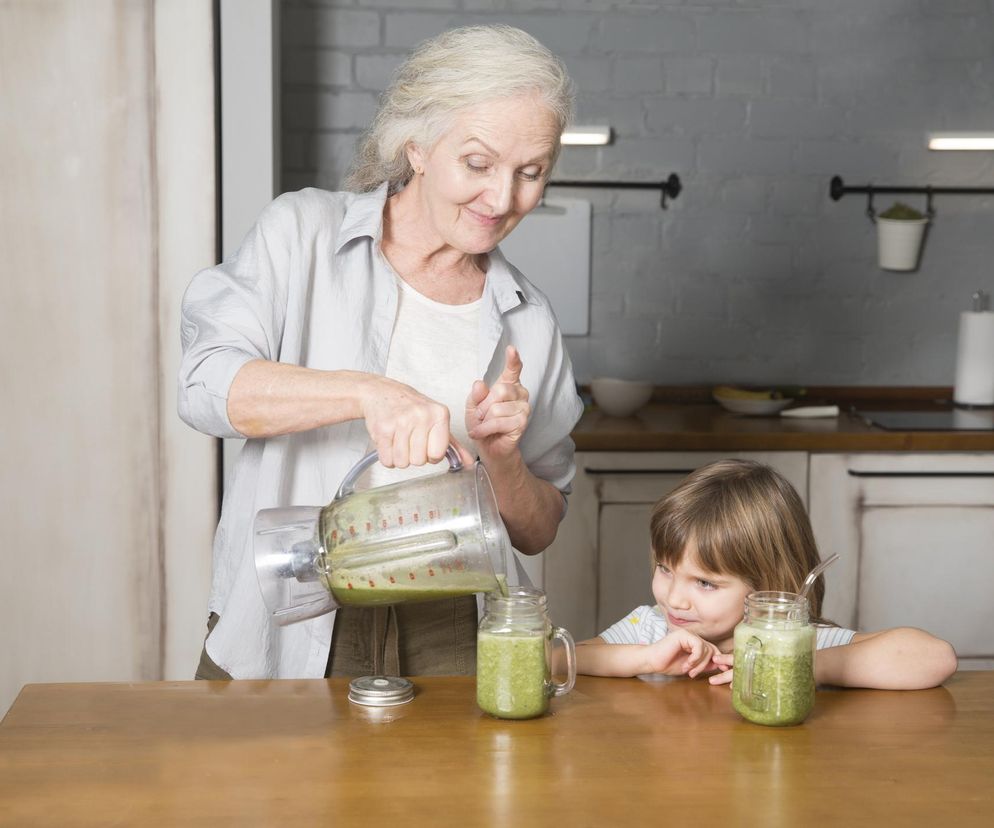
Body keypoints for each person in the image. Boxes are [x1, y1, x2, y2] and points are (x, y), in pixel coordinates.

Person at [178, 25, 583, 681]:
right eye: (478, 164)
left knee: (436, 788)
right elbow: (204, 385)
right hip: (288, 611)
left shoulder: (529, 322)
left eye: (530, 173)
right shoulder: (302, 235)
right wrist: (371, 392)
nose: (505, 199)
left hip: (450, 621)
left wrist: (502, 461)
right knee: (256, 784)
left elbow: (538, 529)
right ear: (416, 147)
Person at [570, 459, 957, 689]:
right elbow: (556, 660)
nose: (674, 599)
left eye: (705, 582)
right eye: (665, 570)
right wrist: (645, 660)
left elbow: (935, 657)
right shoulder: (652, 629)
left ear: (767, 586)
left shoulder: (793, 641)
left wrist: (790, 665)